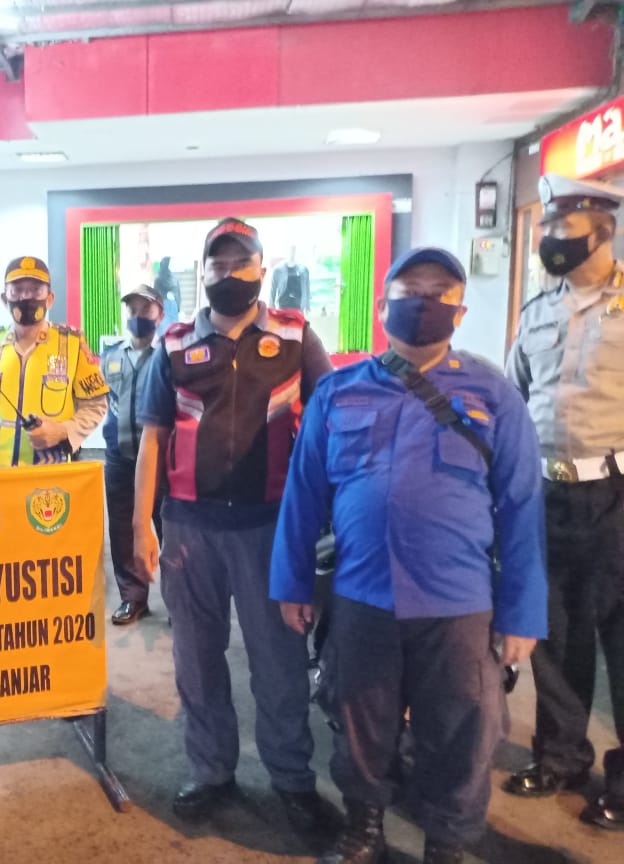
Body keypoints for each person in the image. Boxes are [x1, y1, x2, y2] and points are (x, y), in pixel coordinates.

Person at [271, 247, 547, 864]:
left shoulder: (494, 396)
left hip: (459, 601)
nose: (423, 302)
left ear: (460, 311)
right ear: (381, 307)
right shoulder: (338, 392)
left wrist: (523, 614)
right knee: (359, 719)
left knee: (461, 730)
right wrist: (291, 583)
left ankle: (447, 843)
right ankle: (364, 828)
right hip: (362, 594)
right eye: (409, 290)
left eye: (439, 293)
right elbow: (302, 496)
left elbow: (523, 507)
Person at [133, 218, 334, 827]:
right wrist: (141, 524)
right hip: (188, 528)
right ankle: (210, 771)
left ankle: (291, 778)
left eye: (240, 263)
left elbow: (330, 427)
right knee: (197, 660)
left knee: (278, 660)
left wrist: (327, 519)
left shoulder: (296, 338)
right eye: (217, 265)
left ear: (261, 271)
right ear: (203, 274)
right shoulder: (174, 346)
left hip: (271, 528)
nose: (228, 274)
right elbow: (152, 439)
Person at [504, 173, 624, 830]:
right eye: (547, 226)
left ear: (603, 231)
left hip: (617, 494)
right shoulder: (537, 311)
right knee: (553, 632)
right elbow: (516, 396)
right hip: (547, 492)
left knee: (621, 640)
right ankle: (561, 756)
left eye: (563, 227)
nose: (550, 237)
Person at [0, 257, 108, 470]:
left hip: (48, 474)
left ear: (49, 299)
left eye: (36, 290)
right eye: (17, 290)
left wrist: (63, 431)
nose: (26, 297)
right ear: (5, 299)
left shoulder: (72, 345)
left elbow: (95, 405)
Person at [101, 284, 166, 625]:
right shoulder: (111, 355)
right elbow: (102, 398)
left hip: (160, 460)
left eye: (146, 310)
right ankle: (133, 597)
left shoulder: (168, 355)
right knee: (123, 530)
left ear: (160, 314)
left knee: (169, 528)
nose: (138, 316)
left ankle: (178, 600)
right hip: (119, 457)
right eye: (133, 310)